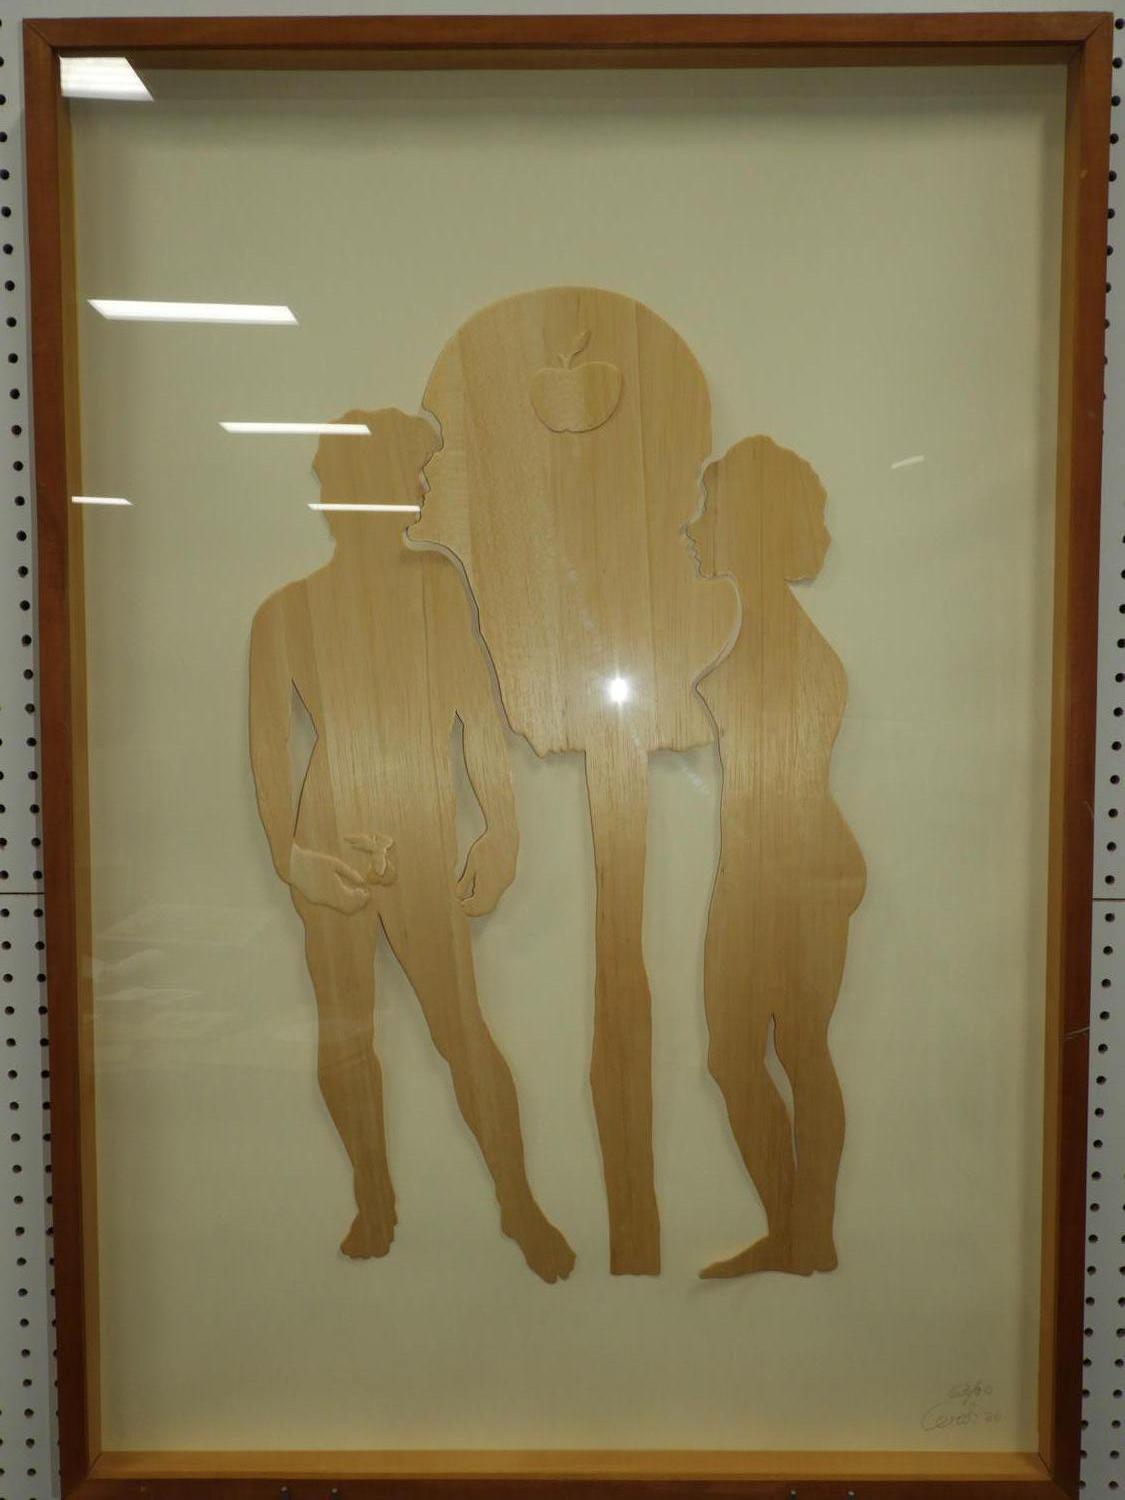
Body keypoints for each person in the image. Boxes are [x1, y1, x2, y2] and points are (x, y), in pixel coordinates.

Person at [413, 289, 736, 1274]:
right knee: (616, 961)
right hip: (578, 680)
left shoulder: (657, 490)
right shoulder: (492, 519)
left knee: (626, 960)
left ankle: (634, 1226)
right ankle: (627, 1227)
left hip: (630, 689)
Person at [248, 408, 575, 1284]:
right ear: (360, 488)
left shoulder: (436, 586)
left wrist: (501, 828)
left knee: (459, 1025)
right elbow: (268, 751)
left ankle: (517, 1202)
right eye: (410, 476)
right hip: (329, 831)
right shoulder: (284, 614)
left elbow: (478, 716)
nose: (421, 491)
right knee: (345, 1030)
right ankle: (374, 1198)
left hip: (423, 827)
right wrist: (292, 858)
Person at [686, 435, 866, 1278]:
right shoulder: (740, 634)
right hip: (768, 867)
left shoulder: (776, 644)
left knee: (790, 1050)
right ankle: (797, 1233)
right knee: (746, 1056)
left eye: (707, 515)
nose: (693, 531)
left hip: (793, 870)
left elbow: (772, 779)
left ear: (745, 526)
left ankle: (806, 1235)